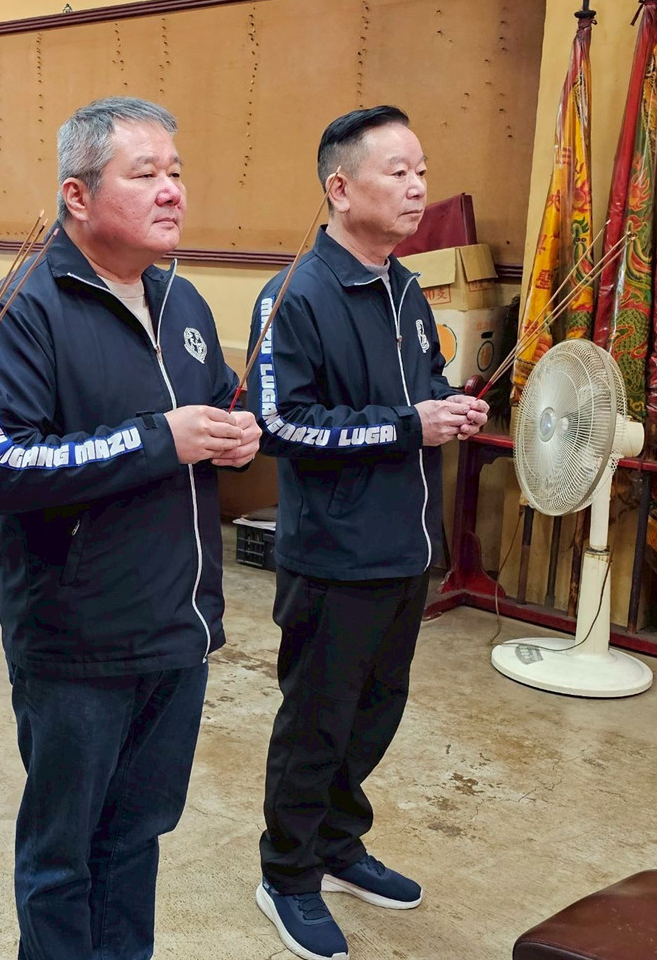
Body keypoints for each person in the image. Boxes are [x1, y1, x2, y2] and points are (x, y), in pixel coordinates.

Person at [0, 95, 261, 960]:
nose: (172, 190)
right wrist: (160, 439)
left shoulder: (183, 301)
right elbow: (0, 465)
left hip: (178, 628)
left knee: (136, 839)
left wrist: (237, 433)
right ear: (78, 195)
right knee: (63, 855)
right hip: (77, 641)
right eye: (146, 173)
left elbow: (215, 405)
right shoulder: (22, 308)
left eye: (177, 172)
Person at [243, 106, 489, 960]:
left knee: (376, 713)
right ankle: (287, 873)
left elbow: (421, 386)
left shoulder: (406, 289)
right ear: (340, 189)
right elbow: (279, 423)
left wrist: (449, 406)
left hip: (406, 549)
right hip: (335, 555)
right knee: (316, 723)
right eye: (398, 171)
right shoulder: (295, 296)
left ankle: (338, 844)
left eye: (422, 171)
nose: (417, 187)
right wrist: (408, 425)